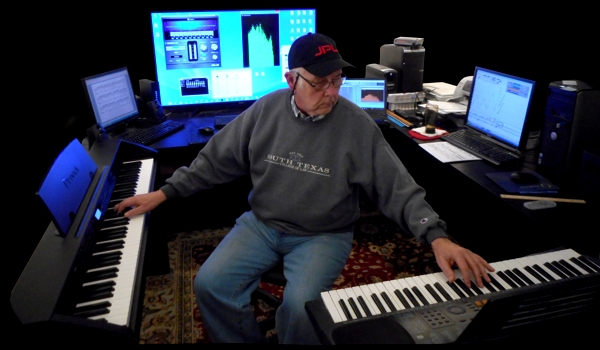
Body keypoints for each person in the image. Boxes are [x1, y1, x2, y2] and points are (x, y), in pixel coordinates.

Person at [115, 32, 494, 344]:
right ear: (291, 80)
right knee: (210, 285)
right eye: (319, 83)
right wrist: (164, 192)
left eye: (336, 80)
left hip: (323, 235)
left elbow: (396, 186)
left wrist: (437, 236)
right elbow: (215, 159)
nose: (331, 92)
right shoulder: (264, 111)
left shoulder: (356, 125)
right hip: (261, 225)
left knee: (301, 308)